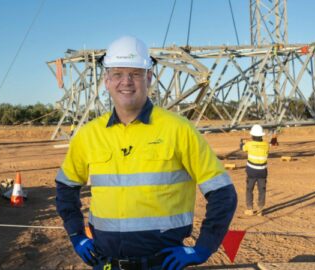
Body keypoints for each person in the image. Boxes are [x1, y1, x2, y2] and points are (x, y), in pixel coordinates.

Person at [55, 36, 237, 270]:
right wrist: (76, 234)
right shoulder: (89, 134)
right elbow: (65, 186)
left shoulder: (178, 130)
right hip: (106, 264)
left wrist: (202, 248)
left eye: (135, 73)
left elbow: (223, 194)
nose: (126, 82)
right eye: (118, 74)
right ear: (106, 80)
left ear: (149, 77)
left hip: (162, 265)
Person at [242, 124, 269, 217]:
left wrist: (244, 143)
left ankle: (250, 209)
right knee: (262, 190)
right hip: (262, 172)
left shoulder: (248, 144)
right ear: (261, 135)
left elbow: (243, 148)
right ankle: (260, 210)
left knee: (249, 189)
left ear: (252, 135)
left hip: (251, 172)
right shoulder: (266, 145)